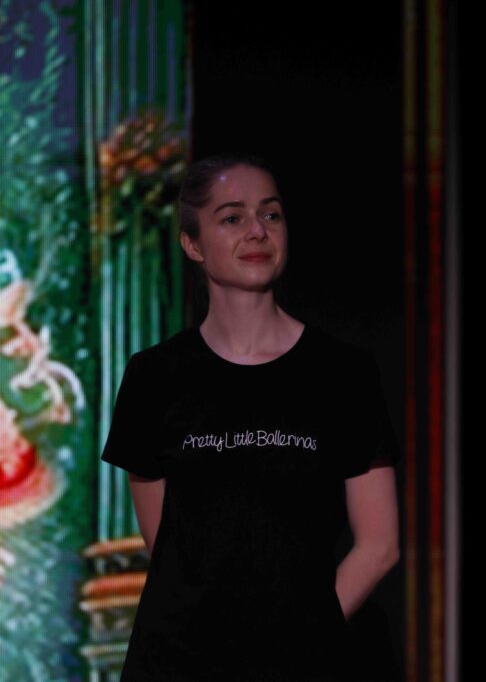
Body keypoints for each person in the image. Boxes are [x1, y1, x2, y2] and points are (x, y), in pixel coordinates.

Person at [101, 154, 400, 681]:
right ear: (193, 244)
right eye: (232, 217)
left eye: (271, 214)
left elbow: (379, 546)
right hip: (176, 666)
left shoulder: (344, 373)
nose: (257, 230)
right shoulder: (154, 375)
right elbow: (169, 551)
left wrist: (298, 644)